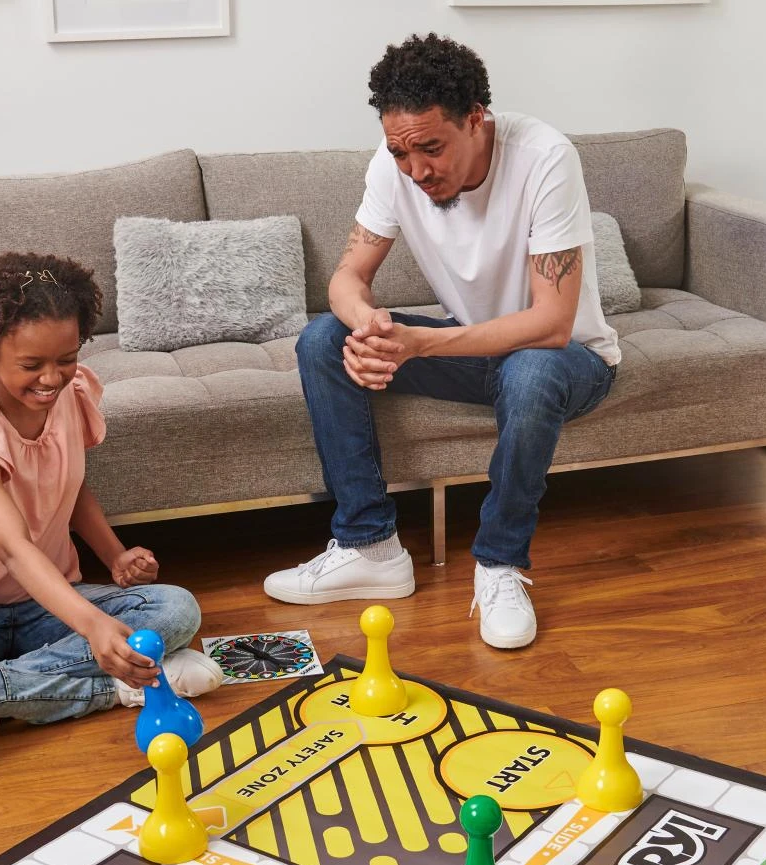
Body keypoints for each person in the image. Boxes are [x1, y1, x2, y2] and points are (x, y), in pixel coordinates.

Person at [264, 35, 620, 649]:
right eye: (401, 152)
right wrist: (370, 327)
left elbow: (552, 323)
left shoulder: (545, 157)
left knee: (531, 369)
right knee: (324, 338)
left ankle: (500, 564)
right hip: (478, 355)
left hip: (571, 361)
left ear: (476, 118)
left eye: (431, 148)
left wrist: (419, 345)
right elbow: (347, 279)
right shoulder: (394, 165)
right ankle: (369, 546)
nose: (417, 171)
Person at [0, 253, 223, 757]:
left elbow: (69, 484)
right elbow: (12, 547)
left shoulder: (69, 394)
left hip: (52, 602)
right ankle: (116, 688)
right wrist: (93, 626)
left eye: (66, 359)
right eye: (31, 365)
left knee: (177, 609)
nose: (51, 378)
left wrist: (114, 556)